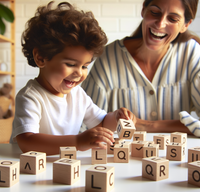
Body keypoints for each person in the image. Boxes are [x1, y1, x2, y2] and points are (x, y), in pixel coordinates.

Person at [10, 1, 136, 155]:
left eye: (84, 66)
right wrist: (77, 142)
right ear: (41, 57)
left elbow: (101, 122)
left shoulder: (77, 94)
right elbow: (27, 141)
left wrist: (117, 118)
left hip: (65, 167)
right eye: (71, 64)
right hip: (30, 170)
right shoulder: (30, 97)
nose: (79, 73)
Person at [82, 0, 200, 137]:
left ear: (186, 25)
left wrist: (145, 125)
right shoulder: (107, 58)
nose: (160, 24)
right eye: (155, 12)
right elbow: (85, 127)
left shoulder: (192, 53)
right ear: (143, 9)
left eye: (173, 19)